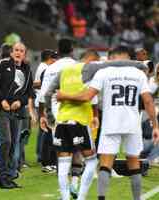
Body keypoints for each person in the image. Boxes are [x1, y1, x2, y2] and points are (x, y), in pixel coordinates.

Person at [56, 46, 159, 200]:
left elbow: (86, 96)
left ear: (111, 57)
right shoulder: (138, 74)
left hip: (111, 124)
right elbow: (148, 101)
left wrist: (65, 95)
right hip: (132, 124)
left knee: (105, 165)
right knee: (134, 164)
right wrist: (155, 125)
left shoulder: (104, 72)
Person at [44, 50, 101, 200]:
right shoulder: (89, 71)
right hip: (79, 121)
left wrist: (49, 116)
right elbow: (88, 97)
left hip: (62, 121)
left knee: (63, 164)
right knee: (91, 160)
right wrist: (95, 115)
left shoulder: (64, 71)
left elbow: (48, 94)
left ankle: (65, 197)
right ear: (90, 59)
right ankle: (80, 196)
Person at [0, 42, 34, 189]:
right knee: (6, 141)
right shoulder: (3, 64)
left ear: (24, 53)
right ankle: (1, 177)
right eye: (16, 50)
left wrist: (20, 102)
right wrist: (2, 100)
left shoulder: (27, 69)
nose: (18, 53)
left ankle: (8, 177)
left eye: (21, 51)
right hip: (1, 109)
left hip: (17, 111)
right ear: (11, 52)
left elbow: (29, 93)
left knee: (14, 144)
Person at [33, 49, 57, 169]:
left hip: (42, 101)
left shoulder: (42, 66)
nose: (55, 60)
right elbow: (41, 84)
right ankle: (43, 158)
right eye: (54, 58)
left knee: (44, 131)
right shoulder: (45, 68)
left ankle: (42, 156)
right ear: (49, 58)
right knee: (46, 131)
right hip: (43, 102)